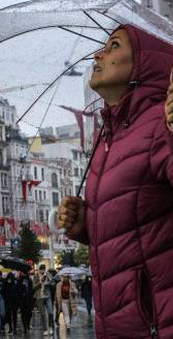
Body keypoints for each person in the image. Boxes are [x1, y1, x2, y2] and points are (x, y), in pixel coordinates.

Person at [56, 24, 173, 337]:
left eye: (114, 46)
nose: (99, 54)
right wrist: (87, 223)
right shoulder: (109, 137)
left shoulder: (161, 123)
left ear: (143, 63)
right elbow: (138, 223)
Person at [34, 264, 54, 336]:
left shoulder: (48, 274)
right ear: (39, 269)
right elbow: (34, 287)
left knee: (50, 312)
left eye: (43, 269)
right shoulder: (36, 276)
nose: (42, 271)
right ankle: (45, 329)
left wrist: (48, 283)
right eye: (41, 269)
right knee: (43, 314)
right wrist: (40, 282)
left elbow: (53, 283)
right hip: (39, 297)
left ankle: (51, 327)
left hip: (47, 295)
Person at [18, 270, 34, 335]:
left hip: (29, 299)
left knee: (29, 313)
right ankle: (25, 327)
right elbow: (18, 289)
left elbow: (31, 289)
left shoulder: (29, 280)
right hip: (22, 300)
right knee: (23, 314)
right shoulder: (20, 280)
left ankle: (28, 323)